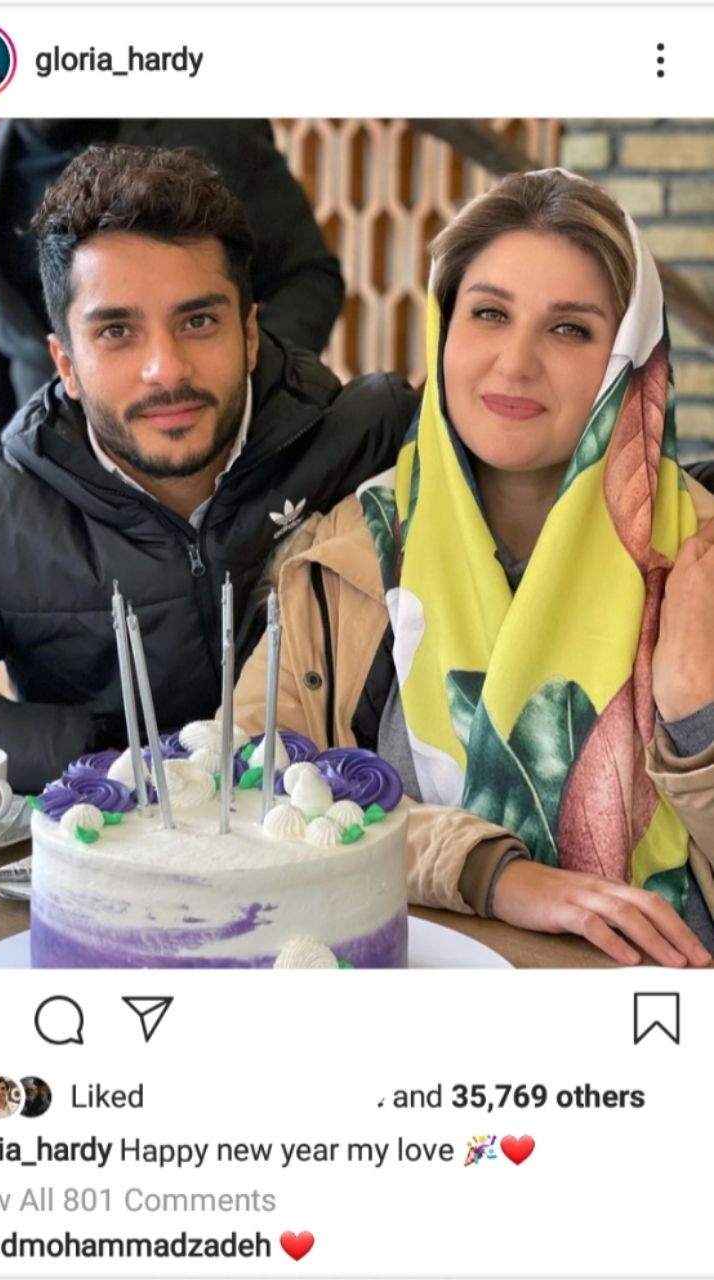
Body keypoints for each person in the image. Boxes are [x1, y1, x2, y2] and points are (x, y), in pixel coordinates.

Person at [234, 169, 714, 967]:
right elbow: (245, 792)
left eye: (570, 329)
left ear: (629, 358)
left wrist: (698, 715)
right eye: (489, 314)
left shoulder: (699, 555)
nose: (515, 363)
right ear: (443, 329)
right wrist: (487, 872)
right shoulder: (351, 550)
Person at [0, 145, 416, 794]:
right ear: (65, 364)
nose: (167, 369)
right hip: (103, 843)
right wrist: (110, 759)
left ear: (250, 334)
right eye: (116, 332)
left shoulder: (369, 439)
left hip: (335, 833)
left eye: (198, 321)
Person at [0, 119, 345, 455]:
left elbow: (308, 275)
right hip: (47, 446)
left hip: (210, 433)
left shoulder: (215, 128)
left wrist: (242, 376)